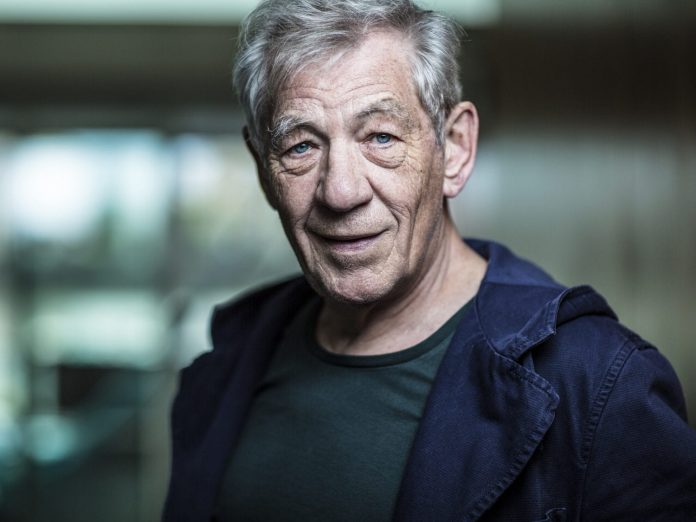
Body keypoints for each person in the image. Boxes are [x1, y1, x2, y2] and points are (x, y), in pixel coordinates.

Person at [163, 0, 696, 520]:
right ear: (264, 169)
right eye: (301, 146)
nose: (341, 192)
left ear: (455, 148)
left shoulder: (602, 383)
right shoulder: (224, 366)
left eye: (381, 137)